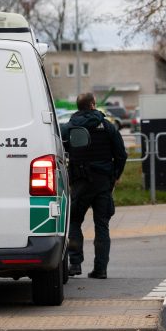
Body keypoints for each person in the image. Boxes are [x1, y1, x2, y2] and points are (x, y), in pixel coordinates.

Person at [62, 92, 127, 279]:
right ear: (92, 105)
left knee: (74, 221)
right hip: (103, 182)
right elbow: (121, 155)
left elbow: (60, 148)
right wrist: (115, 176)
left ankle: (75, 265)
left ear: (78, 107)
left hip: (80, 182)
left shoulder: (70, 127)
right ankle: (101, 269)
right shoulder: (107, 126)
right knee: (102, 225)